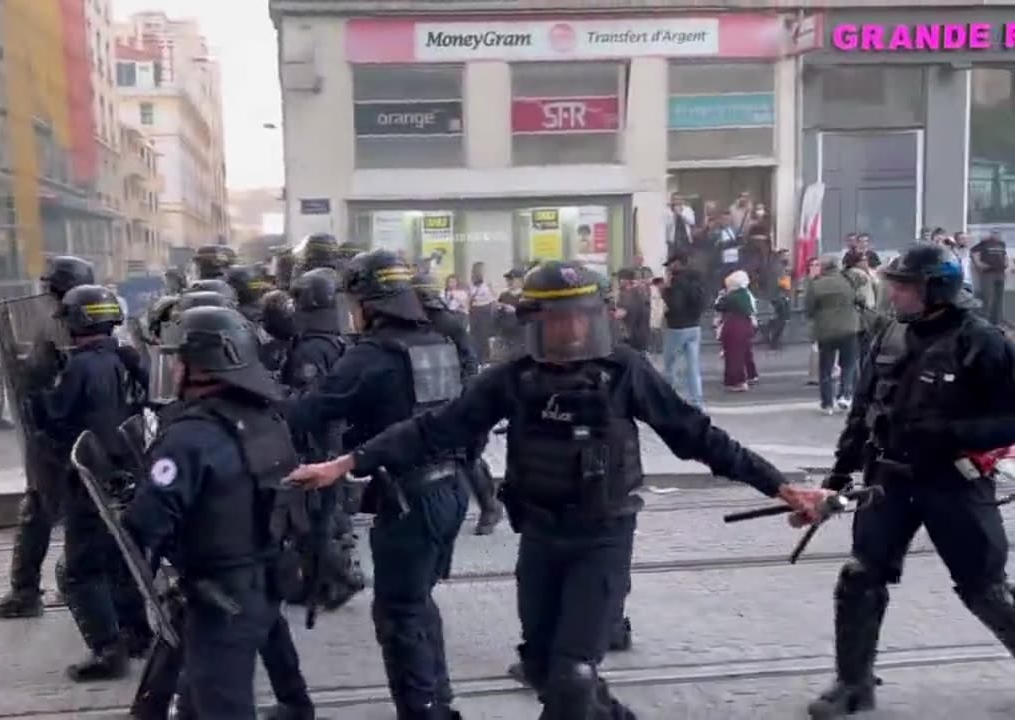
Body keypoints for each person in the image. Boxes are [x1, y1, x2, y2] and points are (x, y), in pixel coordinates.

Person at [289, 259, 831, 720]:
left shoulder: (624, 371)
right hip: (542, 539)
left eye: (582, 317)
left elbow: (698, 437)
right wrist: (349, 461)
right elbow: (436, 428)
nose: (571, 331)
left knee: (572, 676)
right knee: (546, 671)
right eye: (557, 319)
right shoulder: (515, 377)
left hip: (604, 536)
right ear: (534, 322)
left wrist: (780, 487)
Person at [806, 243, 1015, 718]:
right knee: (860, 577)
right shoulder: (888, 335)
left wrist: (952, 435)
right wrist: (839, 473)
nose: (895, 294)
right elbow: (862, 411)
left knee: (984, 586)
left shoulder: (983, 340)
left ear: (936, 289)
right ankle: (853, 683)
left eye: (905, 286)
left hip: (954, 483)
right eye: (894, 284)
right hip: (887, 481)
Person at [282, 250, 469, 720]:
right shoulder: (436, 341)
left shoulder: (372, 356)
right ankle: (438, 703)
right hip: (449, 489)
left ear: (369, 303)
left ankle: (423, 712)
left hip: (410, 499)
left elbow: (311, 410)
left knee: (398, 614)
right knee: (417, 603)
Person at [125, 305, 313, 718]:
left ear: (203, 366)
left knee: (221, 707)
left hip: (220, 599)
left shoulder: (188, 437)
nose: (173, 369)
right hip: (267, 581)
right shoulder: (268, 418)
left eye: (179, 360)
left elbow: (146, 521)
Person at [39, 283, 151, 680]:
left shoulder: (81, 367)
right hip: (127, 471)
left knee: (81, 569)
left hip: (91, 477)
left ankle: (107, 649)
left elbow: (55, 417)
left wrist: (37, 386)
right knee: (121, 560)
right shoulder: (126, 358)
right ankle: (138, 634)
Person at [0, 255, 95, 619]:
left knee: (39, 512)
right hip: (86, 434)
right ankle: (76, 582)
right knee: (84, 512)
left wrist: (20, 370)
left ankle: (28, 592)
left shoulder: (58, 323)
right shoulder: (98, 318)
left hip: (55, 434)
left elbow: (40, 375)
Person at [277, 267, 366, 610]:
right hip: (334, 437)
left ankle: (343, 578)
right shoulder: (336, 339)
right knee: (326, 512)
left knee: (317, 518)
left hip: (317, 441)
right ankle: (321, 582)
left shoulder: (312, 348)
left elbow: (308, 400)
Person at [413, 271, 503, 536]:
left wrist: (463, 393)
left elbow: (468, 361)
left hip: (454, 396)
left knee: (466, 455)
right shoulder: (424, 322)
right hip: (432, 395)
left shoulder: (446, 323)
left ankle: (489, 505)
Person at [805, 257, 861, 414]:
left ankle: (827, 403)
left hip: (826, 330)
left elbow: (809, 309)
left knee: (826, 369)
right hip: (849, 328)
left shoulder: (816, 284)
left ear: (823, 268)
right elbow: (858, 299)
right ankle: (845, 395)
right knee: (848, 365)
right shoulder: (847, 281)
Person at [660, 252, 705, 408]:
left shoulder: (677, 281)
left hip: (677, 327)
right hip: (695, 326)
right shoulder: (697, 278)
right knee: (693, 366)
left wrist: (665, 291)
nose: (668, 269)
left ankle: (667, 399)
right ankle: (697, 402)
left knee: (669, 364)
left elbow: (675, 305)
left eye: (670, 264)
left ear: (677, 263)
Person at [714, 269, 757, 392]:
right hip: (744, 326)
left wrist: (724, 296)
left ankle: (738, 381)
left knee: (733, 356)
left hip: (734, 326)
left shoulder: (733, 296)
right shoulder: (745, 294)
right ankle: (740, 378)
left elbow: (719, 306)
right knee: (741, 354)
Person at [970, 231, 1008, 326]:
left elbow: (1005, 255)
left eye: (998, 233)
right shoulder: (984, 243)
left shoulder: (1002, 244)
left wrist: (1007, 263)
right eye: (994, 233)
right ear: (990, 235)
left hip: (1000, 273)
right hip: (988, 274)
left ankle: (997, 322)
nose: (997, 235)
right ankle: (984, 322)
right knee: (987, 298)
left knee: (999, 298)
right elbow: (973, 252)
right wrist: (979, 264)